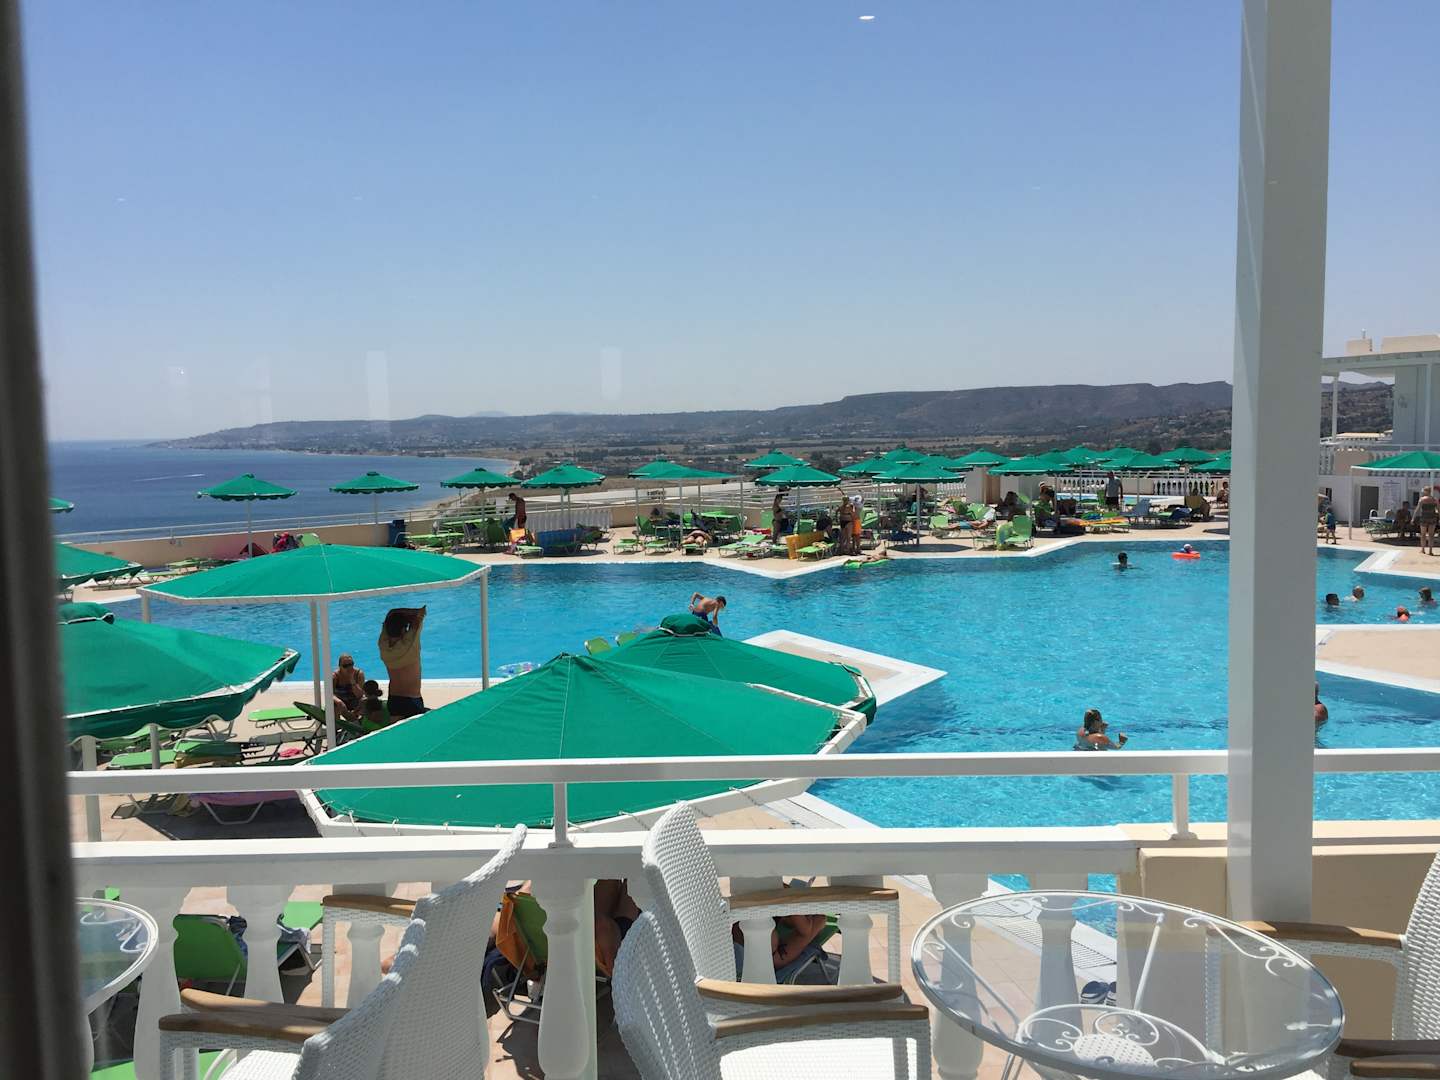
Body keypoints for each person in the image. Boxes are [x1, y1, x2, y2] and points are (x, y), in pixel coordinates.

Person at [378, 606, 428, 719]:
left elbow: (390, 614)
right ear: (402, 630)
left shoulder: (383, 645)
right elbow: (421, 613)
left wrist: (408, 616)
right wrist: (413, 612)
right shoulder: (410, 645)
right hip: (412, 700)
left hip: (394, 699)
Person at [332, 654, 365, 721]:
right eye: (345, 666)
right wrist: (339, 702)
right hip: (341, 701)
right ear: (340, 666)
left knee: (365, 702)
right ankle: (337, 725)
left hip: (355, 701)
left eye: (351, 664)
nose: (349, 668)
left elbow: (360, 695)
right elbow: (329, 693)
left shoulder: (358, 674)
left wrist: (352, 680)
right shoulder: (335, 676)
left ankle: (357, 721)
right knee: (333, 705)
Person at [1418, 487, 1439, 556]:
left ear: (1426, 491)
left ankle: (1423, 549)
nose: (1422, 492)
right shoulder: (1435, 499)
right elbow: (1438, 509)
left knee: (1423, 534)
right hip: (1432, 518)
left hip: (1424, 518)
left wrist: (1413, 518)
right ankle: (1430, 551)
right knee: (1431, 535)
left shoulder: (1422, 499)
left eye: (1423, 491)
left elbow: (1418, 509)